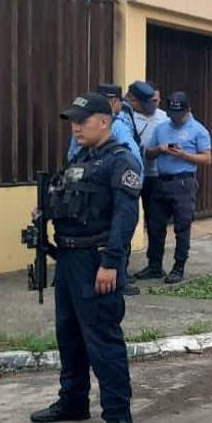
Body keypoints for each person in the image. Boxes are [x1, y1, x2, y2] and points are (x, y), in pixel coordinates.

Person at [29, 93, 141, 423]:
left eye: (83, 120)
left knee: (102, 337)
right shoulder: (80, 159)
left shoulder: (120, 161)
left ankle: (117, 412)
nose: (76, 126)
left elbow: (126, 217)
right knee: (69, 333)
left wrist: (111, 262)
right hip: (68, 259)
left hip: (97, 259)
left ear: (104, 121)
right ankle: (73, 399)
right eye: (73, 120)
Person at [136, 91, 212, 285]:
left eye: (179, 114)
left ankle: (179, 267)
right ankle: (154, 265)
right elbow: (149, 154)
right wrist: (160, 149)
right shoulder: (161, 128)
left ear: (188, 110)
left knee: (182, 226)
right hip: (161, 180)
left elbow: (207, 158)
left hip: (183, 182)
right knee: (155, 225)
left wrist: (184, 155)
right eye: (172, 114)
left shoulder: (198, 130)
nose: (175, 118)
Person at [95, 83, 143, 295]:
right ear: (115, 103)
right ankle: (119, 281)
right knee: (118, 233)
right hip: (114, 190)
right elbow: (133, 159)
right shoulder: (118, 125)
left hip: (97, 192)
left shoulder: (87, 125)